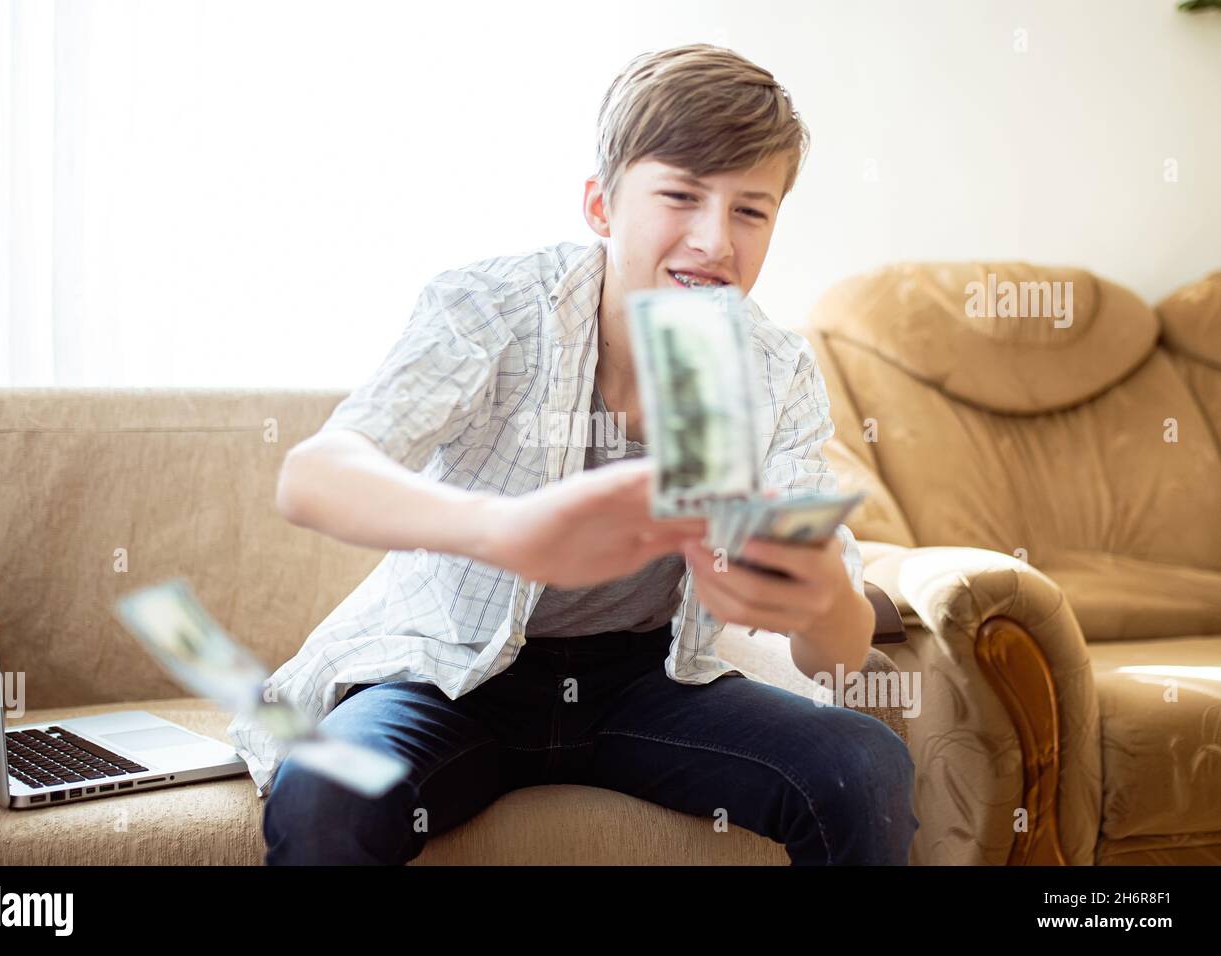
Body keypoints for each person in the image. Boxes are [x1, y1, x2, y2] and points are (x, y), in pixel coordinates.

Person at [228, 42, 919, 866]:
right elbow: (316, 475)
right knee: (328, 791)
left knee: (861, 763)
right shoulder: (495, 307)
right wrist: (500, 530)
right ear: (600, 205)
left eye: (750, 210)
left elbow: (835, 656)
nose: (714, 240)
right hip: (450, 677)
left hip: (641, 684)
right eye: (681, 196)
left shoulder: (772, 369)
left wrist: (814, 597)